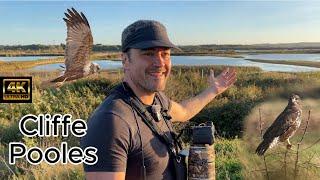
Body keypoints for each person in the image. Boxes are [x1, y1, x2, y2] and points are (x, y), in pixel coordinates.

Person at [81, 20, 237, 180]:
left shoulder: (157, 101)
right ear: (125, 60)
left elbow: (184, 111)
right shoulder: (111, 122)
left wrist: (213, 90)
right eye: (148, 53)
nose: (160, 62)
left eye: (165, 54)